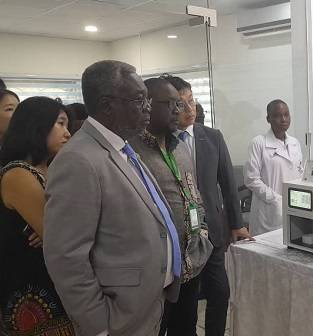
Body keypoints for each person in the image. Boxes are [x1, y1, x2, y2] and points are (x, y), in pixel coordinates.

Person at [43, 60, 181, 336]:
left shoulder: (123, 147)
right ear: (107, 105)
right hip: (117, 316)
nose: (148, 108)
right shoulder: (79, 160)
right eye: (140, 100)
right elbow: (66, 257)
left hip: (148, 303)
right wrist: (98, 325)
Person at [163, 74, 252, 336]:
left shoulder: (212, 137)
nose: (191, 110)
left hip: (212, 232)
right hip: (182, 238)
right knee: (187, 303)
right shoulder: (163, 143)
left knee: (221, 292)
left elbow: (227, 183)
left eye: (193, 101)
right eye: (182, 105)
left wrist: (237, 224)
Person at [129, 78, 213, 336]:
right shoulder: (131, 152)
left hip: (191, 262)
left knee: (186, 328)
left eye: (181, 103)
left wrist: (203, 232)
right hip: (158, 269)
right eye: (172, 105)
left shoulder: (180, 147)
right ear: (148, 106)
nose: (180, 110)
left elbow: (193, 195)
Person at [0, 97, 74, 335]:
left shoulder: (51, 169)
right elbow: (60, 234)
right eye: (60, 124)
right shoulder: (18, 174)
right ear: (37, 125)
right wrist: (52, 231)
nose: (68, 133)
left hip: (56, 281)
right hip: (32, 285)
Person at [245, 99, 303, 236]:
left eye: (286, 114)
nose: (283, 119)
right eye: (277, 116)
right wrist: (276, 199)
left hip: (294, 208)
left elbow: (300, 173)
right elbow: (251, 179)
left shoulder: (295, 143)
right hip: (268, 211)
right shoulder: (258, 143)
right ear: (268, 119)